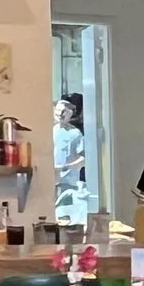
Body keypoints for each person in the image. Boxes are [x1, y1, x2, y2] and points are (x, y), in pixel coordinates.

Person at [52, 93, 90, 223]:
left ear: (71, 113)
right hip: (51, 182)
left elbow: (85, 159)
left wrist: (66, 167)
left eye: (64, 111)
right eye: (58, 110)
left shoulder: (75, 134)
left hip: (69, 184)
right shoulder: (50, 130)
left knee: (67, 218)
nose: (60, 114)